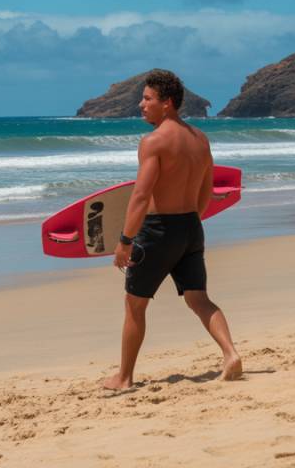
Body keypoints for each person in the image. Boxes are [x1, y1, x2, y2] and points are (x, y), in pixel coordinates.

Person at [102, 69, 242, 390]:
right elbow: (206, 190)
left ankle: (124, 378)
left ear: (167, 103)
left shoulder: (153, 142)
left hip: (157, 231)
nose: (141, 105)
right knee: (199, 299)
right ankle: (230, 353)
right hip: (191, 226)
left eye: (147, 99)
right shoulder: (200, 139)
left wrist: (125, 240)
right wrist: (190, 223)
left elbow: (141, 195)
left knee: (135, 304)